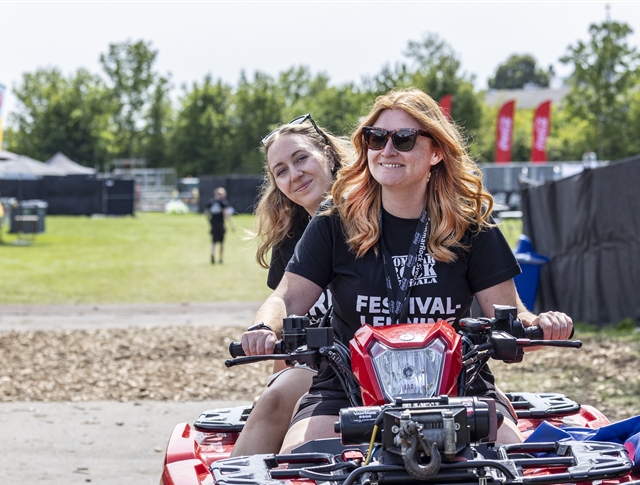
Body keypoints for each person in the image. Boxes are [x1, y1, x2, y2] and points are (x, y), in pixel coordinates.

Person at [240, 88, 572, 453]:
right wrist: (263, 327)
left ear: (436, 151)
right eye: (376, 138)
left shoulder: (471, 224)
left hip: (459, 387)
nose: (387, 149)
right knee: (303, 468)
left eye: (404, 138)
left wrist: (543, 326)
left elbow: (512, 317)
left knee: (510, 467)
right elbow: (286, 298)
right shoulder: (333, 221)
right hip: (347, 388)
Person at [230, 115, 350, 457]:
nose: (293, 175)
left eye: (300, 159)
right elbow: (288, 327)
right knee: (272, 401)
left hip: (388, 361)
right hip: (326, 367)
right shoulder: (290, 240)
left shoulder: (376, 215)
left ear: (327, 154)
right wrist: (275, 382)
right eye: (280, 170)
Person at [205, 187, 234, 264]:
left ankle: (212, 253)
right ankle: (220, 258)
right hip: (221, 224)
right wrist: (231, 225)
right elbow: (226, 214)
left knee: (214, 241)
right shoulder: (223, 202)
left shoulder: (210, 202)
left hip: (213, 225)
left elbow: (206, 213)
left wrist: (210, 221)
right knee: (221, 242)